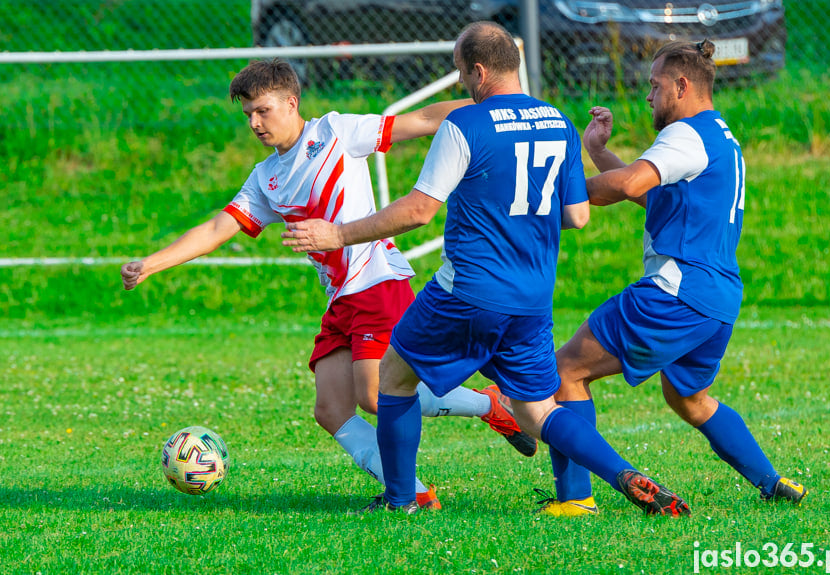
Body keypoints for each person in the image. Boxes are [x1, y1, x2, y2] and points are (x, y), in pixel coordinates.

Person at [284, 21, 691, 516]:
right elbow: (578, 216)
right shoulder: (558, 122)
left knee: (392, 380)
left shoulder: (466, 125)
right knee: (539, 410)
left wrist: (338, 234)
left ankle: (400, 500)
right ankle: (622, 473)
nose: (460, 83)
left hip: (466, 293)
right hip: (533, 300)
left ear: (478, 70)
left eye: (460, 72)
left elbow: (418, 211)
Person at [120, 58, 539, 510]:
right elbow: (218, 228)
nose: (255, 123)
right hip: (340, 298)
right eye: (247, 115)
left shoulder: (336, 132)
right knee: (332, 409)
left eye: (262, 110)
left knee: (377, 396)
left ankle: (483, 409)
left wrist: (503, 108)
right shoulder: (265, 178)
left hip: (377, 281)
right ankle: (418, 487)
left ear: (291, 102)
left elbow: (422, 120)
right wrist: (152, 263)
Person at [539, 39, 808, 517]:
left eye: (655, 85)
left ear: (682, 86)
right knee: (689, 398)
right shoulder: (720, 136)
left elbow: (629, 185)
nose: (648, 95)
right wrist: (597, 151)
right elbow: (654, 197)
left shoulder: (685, 135)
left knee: (565, 371)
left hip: (675, 293)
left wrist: (550, 198)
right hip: (717, 300)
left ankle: (576, 499)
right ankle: (772, 481)